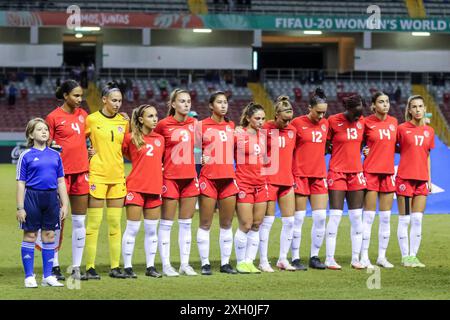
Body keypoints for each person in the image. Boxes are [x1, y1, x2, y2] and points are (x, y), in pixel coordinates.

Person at [45, 80, 90, 280]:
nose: (80, 99)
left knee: (80, 222)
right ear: (65, 96)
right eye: (76, 96)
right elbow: (46, 146)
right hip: (60, 176)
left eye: (81, 96)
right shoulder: (53, 117)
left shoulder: (84, 116)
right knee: (58, 221)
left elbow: (88, 138)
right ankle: (54, 265)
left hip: (82, 173)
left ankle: (76, 267)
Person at [84, 81, 129, 279]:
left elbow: (128, 146)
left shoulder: (124, 122)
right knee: (94, 223)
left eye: (120, 100)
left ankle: (115, 267)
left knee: (115, 223)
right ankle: (90, 267)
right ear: (104, 100)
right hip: (97, 176)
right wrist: (86, 151)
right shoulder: (91, 120)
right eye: (114, 100)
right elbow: (79, 142)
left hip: (117, 177)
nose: (117, 104)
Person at [16, 118, 69, 288]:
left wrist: (65, 204)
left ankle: (48, 276)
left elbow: (61, 181)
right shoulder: (26, 155)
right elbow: (20, 183)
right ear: (31, 134)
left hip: (51, 199)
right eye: (39, 129)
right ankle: (29, 276)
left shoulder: (55, 155)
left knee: (50, 236)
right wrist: (20, 208)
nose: (44, 132)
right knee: (30, 235)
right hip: (32, 198)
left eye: (46, 129)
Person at [153, 88, 199, 277]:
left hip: (189, 178)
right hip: (170, 178)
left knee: (186, 223)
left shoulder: (195, 124)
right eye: (181, 101)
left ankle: (185, 264)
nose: (186, 104)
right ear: (173, 104)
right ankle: (166, 265)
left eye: (188, 101)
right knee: (166, 223)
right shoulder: (163, 125)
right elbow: (151, 142)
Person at [196, 91, 239, 275]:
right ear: (211, 106)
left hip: (228, 179)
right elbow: (184, 149)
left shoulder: (231, 126)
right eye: (219, 102)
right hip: (209, 179)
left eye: (225, 102)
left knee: (227, 223)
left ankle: (224, 263)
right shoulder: (201, 125)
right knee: (205, 223)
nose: (223, 105)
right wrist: (199, 156)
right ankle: (205, 263)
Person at [121, 105, 164, 278]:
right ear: (140, 119)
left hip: (154, 188)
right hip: (136, 188)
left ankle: (150, 267)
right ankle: (128, 267)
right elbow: (119, 155)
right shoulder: (130, 138)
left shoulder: (161, 139)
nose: (155, 119)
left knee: (152, 230)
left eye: (156, 116)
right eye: (150, 116)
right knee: (132, 228)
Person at [325, 94, 367, 270]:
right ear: (348, 109)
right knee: (335, 216)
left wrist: (365, 150)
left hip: (356, 172)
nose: (358, 116)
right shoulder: (333, 121)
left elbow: (364, 142)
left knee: (357, 217)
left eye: (361, 113)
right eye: (356, 113)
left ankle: (355, 258)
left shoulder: (362, 122)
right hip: (337, 172)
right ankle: (329, 258)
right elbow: (325, 144)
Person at [290, 88, 329, 270]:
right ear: (309, 108)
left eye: (324, 112)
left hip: (319, 175)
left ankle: (314, 256)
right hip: (300, 175)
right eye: (318, 112)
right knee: (298, 219)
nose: (321, 116)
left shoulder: (325, 124)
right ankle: (295, 257)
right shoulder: (297, 123)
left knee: (321, 218)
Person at [258, 96, 297, 272]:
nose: (287, 123)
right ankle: (263, 260)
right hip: (269, 180)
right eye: (284, 120)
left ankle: (282, 259)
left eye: (290, 120)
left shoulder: (292, 131)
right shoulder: (265, 128)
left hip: (287, 181)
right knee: (267, 222)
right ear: (276, 115)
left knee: (290, 221)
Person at [396, 95, 434, 268]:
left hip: (421, 180)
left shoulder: (430, 131)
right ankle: (405, 257)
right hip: (405, 178)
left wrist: (429, 179)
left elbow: (427, 156)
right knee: (405, 220)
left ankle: (413, 256)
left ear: (424, 108)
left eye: (420, 106)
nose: (418, 110)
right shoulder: (402, 129)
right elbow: (389, 147)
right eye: (414, 107)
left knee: (417, 219)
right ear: (409, 110)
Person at [361, 92, 397, 269]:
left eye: (387, 101)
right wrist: (364, 150)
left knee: (385, 218)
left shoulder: (394, 122)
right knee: (368, 217)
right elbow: (357, 144)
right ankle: (364, 256)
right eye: (381, 102)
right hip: (370, 172)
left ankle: (382, 257)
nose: (385, 104)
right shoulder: (366, 122)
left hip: (388, 173)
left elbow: (396, 145)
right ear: (373, 105)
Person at [234, 102, 267, 274]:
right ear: (248, 118)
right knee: (245, 224)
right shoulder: (238, 134)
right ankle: (240, 262)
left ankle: (249, 262)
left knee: (256, 224)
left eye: (263, 118)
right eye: (257, 118)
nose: (261, 121)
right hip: (243, 183)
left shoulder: (264, 136)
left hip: (261, 184)